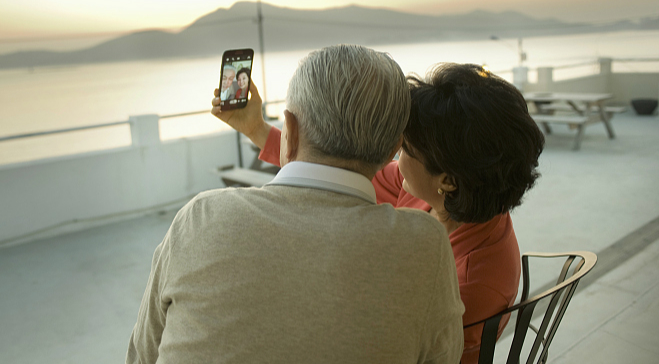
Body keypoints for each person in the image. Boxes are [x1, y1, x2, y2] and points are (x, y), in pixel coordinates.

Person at [126, 45, 465, 364]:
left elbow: (142, 355)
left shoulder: (200, 219)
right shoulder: (426, 246)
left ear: (288, 127)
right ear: (395, 147)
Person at [223, 63, 544, 364]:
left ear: (447, 180)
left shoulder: (473, 282)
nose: (394, 153)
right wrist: (256, 129)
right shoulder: (448, 196)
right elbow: (333, 170)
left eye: (406, 149)